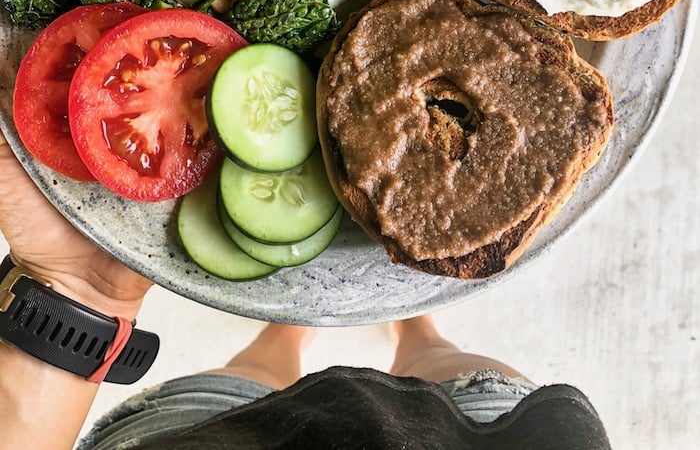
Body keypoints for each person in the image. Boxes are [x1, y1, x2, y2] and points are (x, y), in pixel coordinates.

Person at [0, 130, 613, 449]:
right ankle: (412, 329)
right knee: (447, 366)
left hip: (199, 437)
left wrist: (82, 290)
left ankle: (292, 327)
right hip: (488, 441)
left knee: (251, 375)